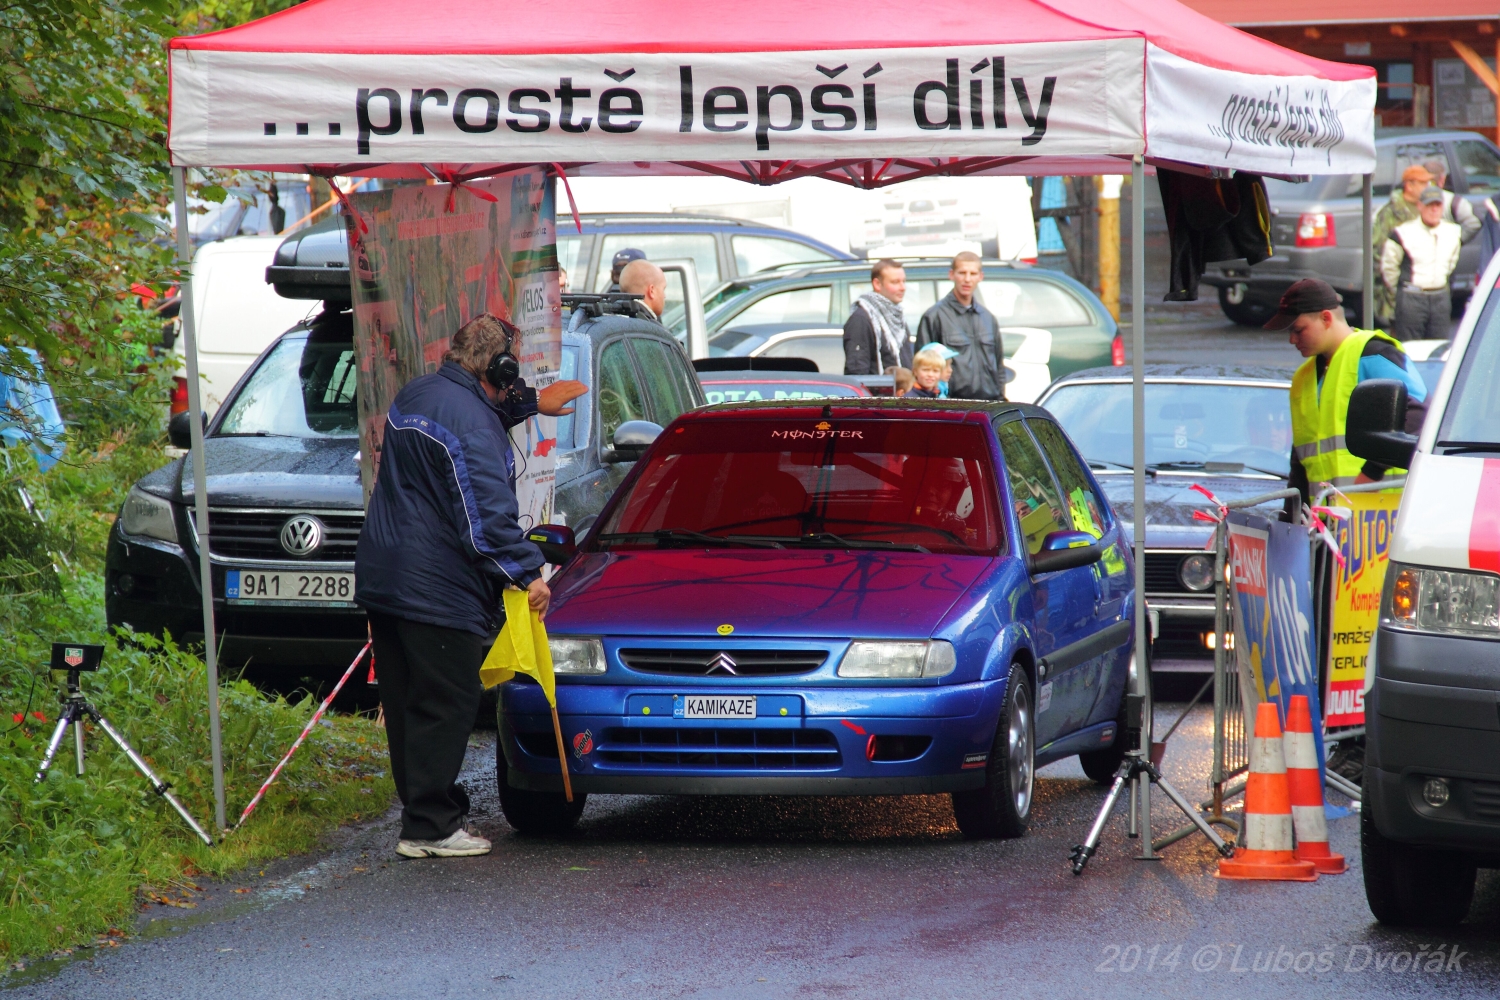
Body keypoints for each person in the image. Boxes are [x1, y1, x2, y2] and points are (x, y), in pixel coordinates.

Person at [354, 314, 587, 859]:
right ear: (500, 367)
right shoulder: (474, 427)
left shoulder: (419, 394)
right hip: (435, 586)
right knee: (446, 702)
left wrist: (529, 404)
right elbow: (486, 520)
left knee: (409, 704)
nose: (517, 379)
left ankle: (420, 817)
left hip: (386, 577)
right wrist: (529, 572)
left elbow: (469, 414)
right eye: (513, 371)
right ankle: (431, 826)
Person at [1262, 279, 1426, 513]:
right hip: (1325, 526)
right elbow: (1301, 463)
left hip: (1380, 518)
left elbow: (1421, 416)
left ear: (1326, 318)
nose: (1292, 339)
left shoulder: (1372, 354)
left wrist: (1372, 472)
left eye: (1298, 330)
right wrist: (1291, 524)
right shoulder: (1303, 378)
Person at [915, 251, 1005, 400]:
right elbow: (922, 367)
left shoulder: (988, 318)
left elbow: (999, 367)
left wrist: (1000, 398)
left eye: (973, 273)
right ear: (951, 275)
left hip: (989, 404)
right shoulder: (934, 316)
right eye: (962, 273)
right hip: (953, 407)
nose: (967, 279)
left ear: (980, 277)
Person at [1382, 186, 1461, 342]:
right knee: (1411, 348)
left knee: (1438, 347)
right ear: (1420, 206)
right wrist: (1399, 293)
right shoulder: (1402, 233)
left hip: (1440, 298)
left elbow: (1451, 264)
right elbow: (1389, 267)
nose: (1433, 210)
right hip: (1412, 298)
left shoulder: (1453, 232)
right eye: (1429, 205)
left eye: (1437, 205)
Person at [1371, 165, 1430, 327]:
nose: (1427, 187)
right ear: (1409, 186)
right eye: (1423, 183)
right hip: (1400, 288)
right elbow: (1378, 252)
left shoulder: (1427, 209)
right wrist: (1390, 291)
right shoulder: (1390, 213)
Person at [843, 259, 913, 375]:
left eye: (904, 281)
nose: (903, 287)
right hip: (878, 391)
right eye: (895, 282)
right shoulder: (861, 319)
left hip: (901, 391)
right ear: (877, 284)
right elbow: (857, 371)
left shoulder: (897, 317)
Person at [1420, 158, 1481, 244]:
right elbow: (1475, 223)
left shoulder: (1411, 198)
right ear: (1442, 179)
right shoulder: (1453, 201)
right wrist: (1457, 241)